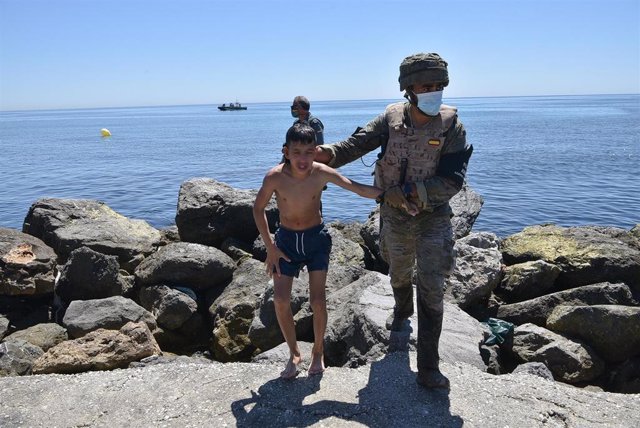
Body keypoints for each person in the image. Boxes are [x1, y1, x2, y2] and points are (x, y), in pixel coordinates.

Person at [314, 53, 473, 389]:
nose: (433, 91)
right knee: (399, 270)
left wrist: (412, 191)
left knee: (432, 286)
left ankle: (429, 366)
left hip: (433, 217)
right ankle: (402, 310)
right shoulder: (389, 120)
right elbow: (354, 146)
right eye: (425, 85)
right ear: (408, 89)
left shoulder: (452, 127)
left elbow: (453, 180)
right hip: (393, 215)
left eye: (437, 85)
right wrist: (320, 154)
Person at [253, 122, 383, 380]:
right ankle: (293, 354)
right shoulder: (275, 177)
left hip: (316, 240)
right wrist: (271, 247)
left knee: (317, 301)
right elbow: (258, 209)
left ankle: (317, 352)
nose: (303, 158)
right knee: (280, 300)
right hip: (286, 241)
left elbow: (356, 188)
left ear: (317, 151)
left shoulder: (322, 172)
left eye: (309, 152)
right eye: (297, 152)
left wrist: (391, 194)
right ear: (286, 151)